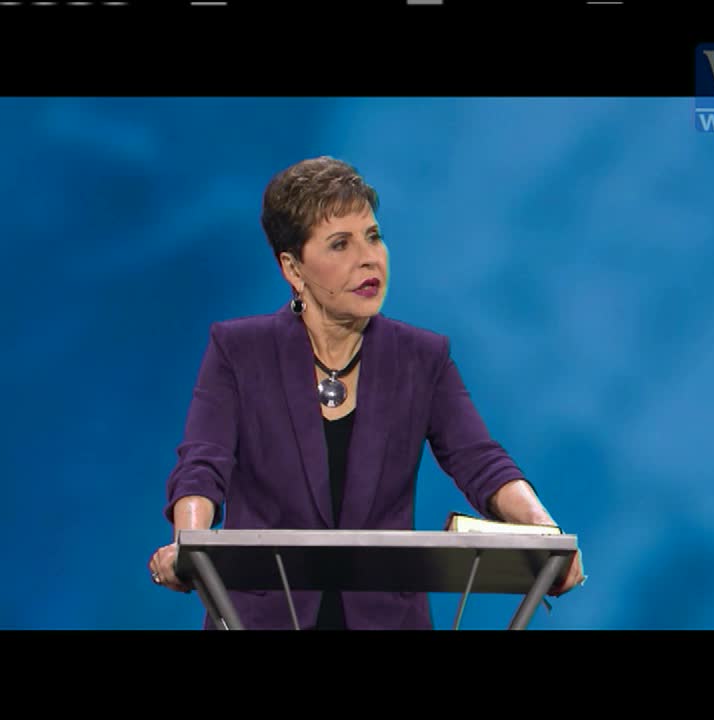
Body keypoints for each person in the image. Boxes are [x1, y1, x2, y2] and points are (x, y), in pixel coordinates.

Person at [148, 156, 585, 630]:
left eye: (373, 236)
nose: (368, 257)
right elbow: (201, 465)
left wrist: (547, 534)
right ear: (293, 269)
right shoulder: (239, 351)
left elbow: (480, 461)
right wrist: (190, 545)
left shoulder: (423, 358)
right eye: (340, 244)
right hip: (261, 618)